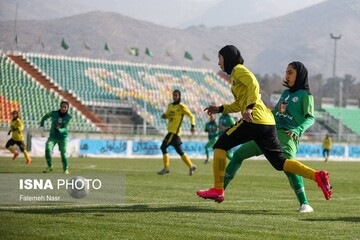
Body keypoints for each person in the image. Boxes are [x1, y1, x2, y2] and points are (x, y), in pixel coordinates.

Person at [196, 45, 332, 204]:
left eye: (220, 59)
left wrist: (249, 108)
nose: (218, 63)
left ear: (228, 58)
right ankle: (317, 176)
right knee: (280, 163)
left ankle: (218, 189)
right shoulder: (242, 79)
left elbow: (254, 84)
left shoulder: (238, 70)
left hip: (256, 120)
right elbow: (239, 103)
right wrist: (220, 109)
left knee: (220, 145)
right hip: (268, 123)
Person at [223, 61, 315, 213]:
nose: (287, 75)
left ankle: (305, 204)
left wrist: (298, 130)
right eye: (286, 72)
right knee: (238, 154)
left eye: (291, 72)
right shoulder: (285, 94)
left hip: (287, 135)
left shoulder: (305, 95)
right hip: (269, 133)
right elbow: (275, 114)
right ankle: (220, 190)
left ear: (300, 75)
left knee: (289, 167)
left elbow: (310, 118)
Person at [158, 89, 197, 176]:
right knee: (180, 151)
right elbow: (168, 115)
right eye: (174, 95)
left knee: (163, 147)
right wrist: (164, 116)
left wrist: (192, 126)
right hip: (171, 131)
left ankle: (166, 168)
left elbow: (191, 116)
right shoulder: (170, 105)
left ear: (179, 96)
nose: (175, 97)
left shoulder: (181, 106)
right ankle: (191, 166)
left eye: (176, 95)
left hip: (174, 132)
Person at [40, 101, 72, 174]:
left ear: (67, 108)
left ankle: (65, 169)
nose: (63, 108)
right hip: (52, 137)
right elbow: (44, 117)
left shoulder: (68, 117)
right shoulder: (54, 113)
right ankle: (50, 166)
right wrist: (42, 125)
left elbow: (65, 129)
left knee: (63, 154)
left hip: (63, 138)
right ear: (60, 107)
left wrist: (59, 129)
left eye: (65, 107)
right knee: (48, 150)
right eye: (62, 106)